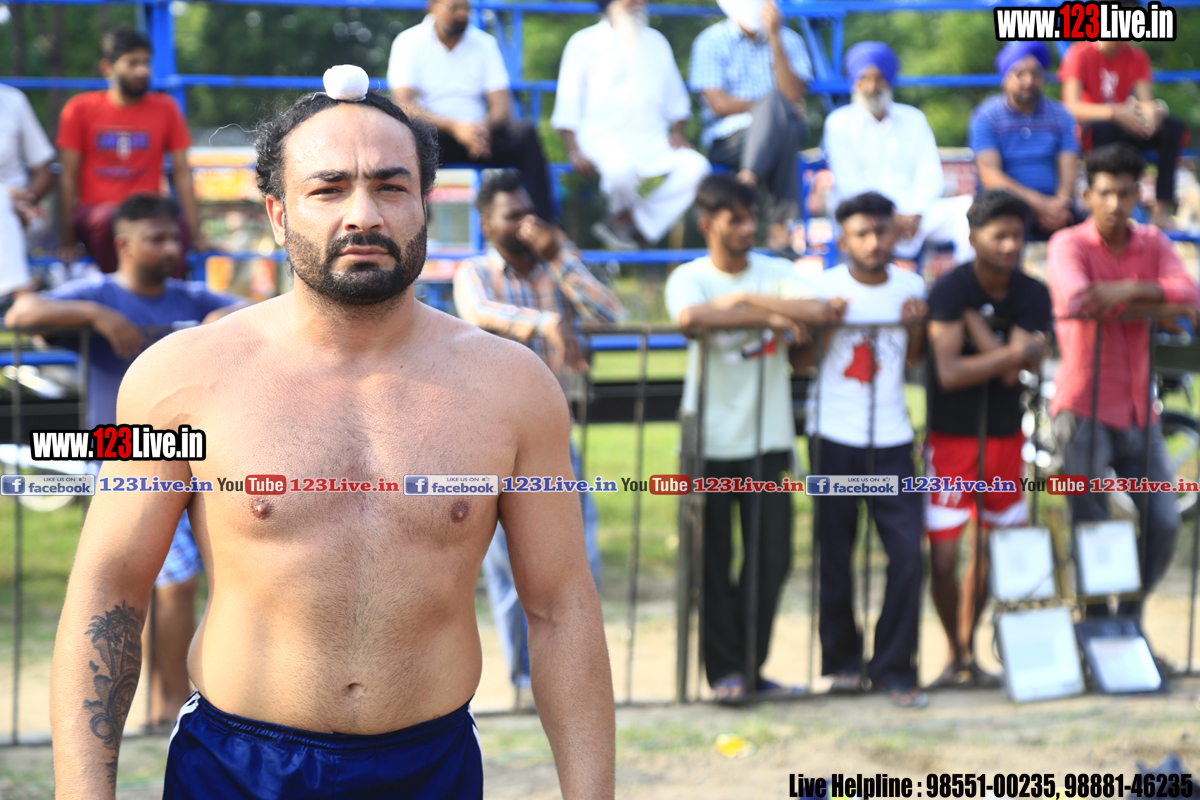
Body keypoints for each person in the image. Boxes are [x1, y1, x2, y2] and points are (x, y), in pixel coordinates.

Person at [49, 79, 615, 798]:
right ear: (278, 215)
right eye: (329, 188)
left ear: (425, 204)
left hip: (431, 769)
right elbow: (109, 591)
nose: (363, 214)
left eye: (390, 186)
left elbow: (561, 607)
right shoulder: (176, 379)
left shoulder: (514, 386)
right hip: (235, 771)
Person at [6, 193, 246, 730]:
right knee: (166, 583)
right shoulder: (98, 292)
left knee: (190, 582)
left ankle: (168, 704)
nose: (171, 248)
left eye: (174, 238)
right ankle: (166, 708)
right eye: (156, 239)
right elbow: (22, 313)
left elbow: (255, 309)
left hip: (198, 454)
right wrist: (97, 316)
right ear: (124, 245)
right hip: (125, 453)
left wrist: (217, 322)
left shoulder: (188, 296)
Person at [665, 173, 841, 703]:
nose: (747, 228)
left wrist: (747, 301)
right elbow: (691, 317)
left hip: (768, 440)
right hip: (707, 442)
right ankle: (726, 675)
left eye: (751, 218)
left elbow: (823, 310)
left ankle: (750, 666)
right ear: (707, 225)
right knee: (712, 560)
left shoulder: (775, 270)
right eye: (734, 220)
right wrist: (762, 309)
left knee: (773, 557)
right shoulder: (690, 276)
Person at [453, 168, 622, 693]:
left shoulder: (556, 268)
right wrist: (546, 323)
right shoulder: (474, 272)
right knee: (508, 564)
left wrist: (562, 255)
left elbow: (610, 313)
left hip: (554, 436)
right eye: (512, 216)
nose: (525, 223)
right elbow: (480, 313)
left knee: (577, 553)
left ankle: (571, 669)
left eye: (529, 213)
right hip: (492, 436)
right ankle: (526, 679)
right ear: (487, 225)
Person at [1048, 143, 1198, 622]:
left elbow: (1192, 293)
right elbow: (1080, 299)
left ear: (1139, 194)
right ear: (1088, 195)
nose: (1115, 203)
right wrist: (1163, 304)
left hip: (1139, 408)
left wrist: (1129, 288)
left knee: (1164, 522)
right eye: (1106, 193)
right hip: (1082, 406)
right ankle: (1096, 629)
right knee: (1090, 525)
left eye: (1125, 193)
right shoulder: (1067, 244)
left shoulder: (1152, 242)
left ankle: (1127, 623)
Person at [805, 190, 929, 708]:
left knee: (908, 555)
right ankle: (842, 664)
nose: (873, 241)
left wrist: (916, 326)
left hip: (893, 439)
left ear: (896, 233)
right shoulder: (823, 287)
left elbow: (913, 360)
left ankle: (894, 667)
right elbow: (801, 361)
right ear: (843, 238)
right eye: (862, 232)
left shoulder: (912, 285)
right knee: (835, 555)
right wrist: (825, 325)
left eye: (881, 231)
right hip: (834, 437)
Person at [924, 190, 1051, 689]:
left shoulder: (1032, 292)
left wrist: (978, 330)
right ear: (974, 237)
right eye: (999, 235)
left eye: (1017, 235)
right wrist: (1013, 350)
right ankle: (954, 652)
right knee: (943, 557)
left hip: (1003, 436)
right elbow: (950, 373)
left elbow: (1004, 377)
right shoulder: (949, 288)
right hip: (949, 438)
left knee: (990, 548)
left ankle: (967, 648)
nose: (1010, 245)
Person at [552, 0, 711, 250]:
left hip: (654, 141)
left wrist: (678, 132)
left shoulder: (657, 42)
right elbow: (567, 105)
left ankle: (631, 223)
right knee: (619, 172)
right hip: (602, 143)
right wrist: (574, 151)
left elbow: (677, 100)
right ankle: (630, 230)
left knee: (697, 167)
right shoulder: (583, 43)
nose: (640, 3)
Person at [388, 0, 555, 222]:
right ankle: (416, 223)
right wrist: (456, 127)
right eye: (453, 8)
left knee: (525, 134)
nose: (462, 14)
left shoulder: (484, 43)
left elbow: (502, 107)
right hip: (436, 135)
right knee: (408, 140)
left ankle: (543, 224)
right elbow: (404, 105)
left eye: (466, 8)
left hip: (480, 135)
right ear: (432, 7)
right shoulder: (409, 41)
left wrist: (482, 128)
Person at [56, 26, 201, 274]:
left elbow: (182, 173)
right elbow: (67, 177)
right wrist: (66, 239)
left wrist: (196, 232)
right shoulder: (78, 109)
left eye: (146, 62)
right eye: (132, 63)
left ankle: (167, 292)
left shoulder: (166, 108)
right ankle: (122, 291)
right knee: (108, 220)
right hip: (97, 213)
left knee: (174, 227)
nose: (142, 70)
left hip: (146, 210)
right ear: (107, 67)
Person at [824, 42, 973, 265]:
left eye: (879, 78)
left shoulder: (914, 118)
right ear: (854, 82)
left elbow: (930, 174)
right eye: (864, 79)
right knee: (857, 222)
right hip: (865, 213)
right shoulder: (838, 123)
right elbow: (848, 183)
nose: (871, 87)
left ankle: (970, 282)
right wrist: (892, 215)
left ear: (890, 80)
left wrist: (916, 212)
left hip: (916, 215)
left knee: (968, 212)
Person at [688, 0, 812, 254]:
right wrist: (771, 106)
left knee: (786, 124)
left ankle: (747, 179)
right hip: (728, 138)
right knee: (782, 114)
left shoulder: (790, 40)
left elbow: (793, 92)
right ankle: (780, 227)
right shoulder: (710, 41)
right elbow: (718, 104)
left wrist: (775, 38)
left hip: (778, 134)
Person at [1060, 36, 1188, 230]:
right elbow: (1070, 107)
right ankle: (1101, 210)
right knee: (1101, 129)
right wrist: (1114, 113)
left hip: (1124, 124)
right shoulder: (1080, 53)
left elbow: (1146, 101)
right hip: (1095, 128)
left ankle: (1160, 211)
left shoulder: (1136, 56)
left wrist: (1153, 115)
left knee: (1172, 128)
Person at [970, 42, 1083, 240]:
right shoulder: (986, 117)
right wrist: (1039, 204)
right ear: (1005, 77)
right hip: (1007, 205)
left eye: (1036, 74)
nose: (1029, 80)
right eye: (1020, 73)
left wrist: (1060, 203)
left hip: (1056, 205)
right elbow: (990, 176)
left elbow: (1069, 167)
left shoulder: (1062, 115)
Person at [0, 83, 55, 296]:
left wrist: (26, 199)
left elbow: (44, 171)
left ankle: (17, 294)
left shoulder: (13, 101)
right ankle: (19, 293)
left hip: (15, 210)